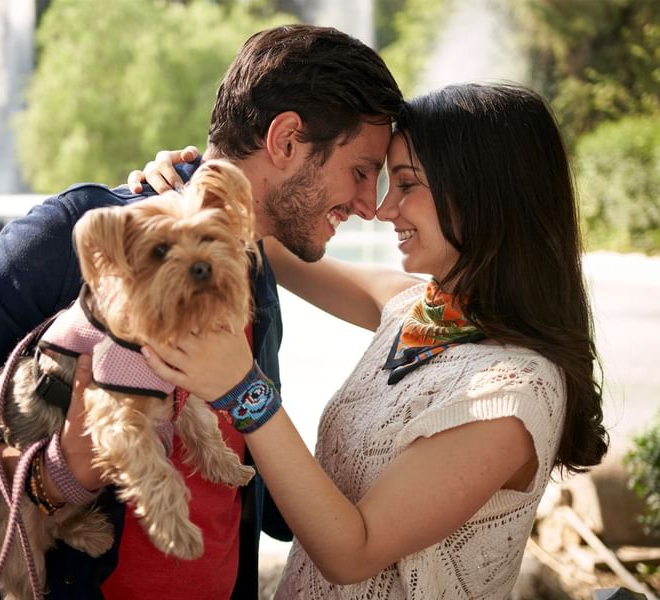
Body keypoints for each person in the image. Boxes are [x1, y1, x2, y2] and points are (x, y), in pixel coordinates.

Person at [0, 24, 402, 600]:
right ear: (287, 139)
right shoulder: (81, 229)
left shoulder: (256, 267)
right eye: (362, 171)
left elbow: (246, 486)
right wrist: (39, 474)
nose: (370, 205)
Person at [135, 83, 609, 598]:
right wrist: (194, 179)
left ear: (482, 196)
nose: (383, 210)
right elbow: (268, 233)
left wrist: (242, 387)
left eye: (405, 184)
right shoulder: (414, 308)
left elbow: (351, 553)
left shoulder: (509, 393)